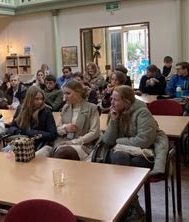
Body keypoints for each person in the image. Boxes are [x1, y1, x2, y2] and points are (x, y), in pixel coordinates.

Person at [99, 85, 169, 221]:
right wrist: (114, 121)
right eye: (111, 98)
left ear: (127, 102)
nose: (112, 102)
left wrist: (119, 141)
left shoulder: (142, 112)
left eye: (116, 99)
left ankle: (125, 207)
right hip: (123, 155)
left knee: (128, 164)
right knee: (119, 157)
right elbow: (107, 141)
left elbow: (144, 141)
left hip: (144, 153)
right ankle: (132, 208)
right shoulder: (115, 112)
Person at [37, 80, 100, 161]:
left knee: (63, 152)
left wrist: (75, 142)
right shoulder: (65, 108)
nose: (65, 97)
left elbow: (94, 132)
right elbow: (57, 129)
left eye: (68, 93)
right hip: (63, 143)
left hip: (82, 145)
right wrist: (65, 128)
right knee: (38, 155)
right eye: (64, 93)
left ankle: (55, 172)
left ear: (78, 93)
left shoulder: (92, 108)